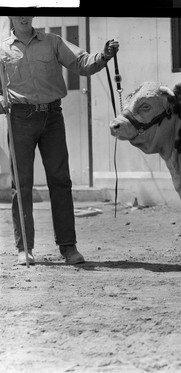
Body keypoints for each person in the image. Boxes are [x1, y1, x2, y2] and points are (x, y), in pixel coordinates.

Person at [0, 16, 119, 265]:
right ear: (10, 16)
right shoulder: (2, 49)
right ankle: (25, 249)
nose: (23, 17)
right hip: (20, 118)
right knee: (21, 185)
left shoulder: (53, 42)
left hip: (52, 117)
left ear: (33, 15)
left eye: (28, 12)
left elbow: (83, 64)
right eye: (17, 13)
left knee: (60, 181)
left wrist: (104, 55)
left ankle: (68, 247)